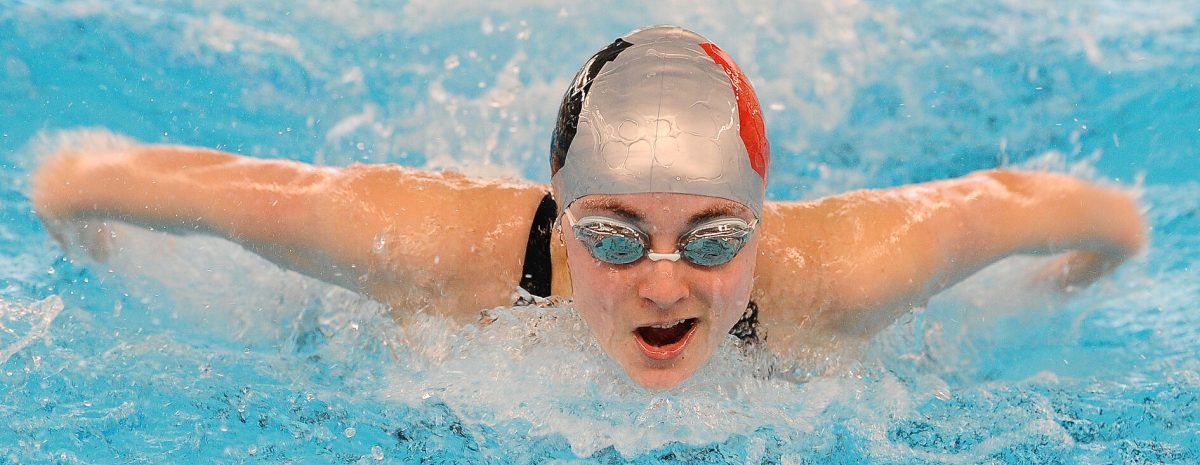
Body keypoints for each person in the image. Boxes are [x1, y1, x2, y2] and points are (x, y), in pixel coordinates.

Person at [30, 26, 1146, 390]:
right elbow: (164, 186)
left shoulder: (844, 272)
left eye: (714, 238)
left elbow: (1067, 211)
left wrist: (1061, 289)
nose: (664, 282)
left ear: (761, 224)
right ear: (562, 223)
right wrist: (92, 237)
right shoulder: (437, 247)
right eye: (613, 235)